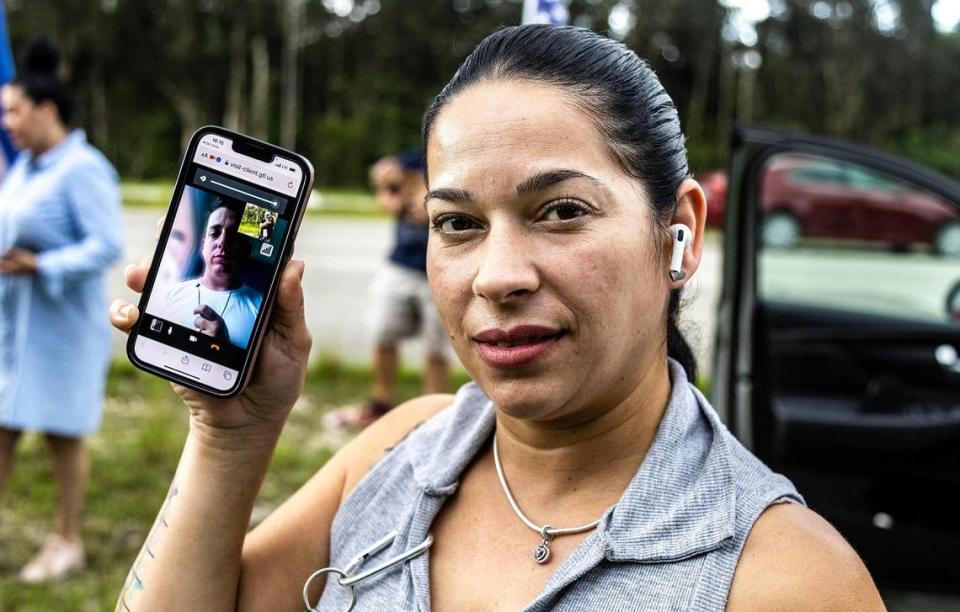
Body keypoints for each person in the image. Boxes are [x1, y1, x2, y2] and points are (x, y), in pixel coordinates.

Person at [109, 26, 884, 610]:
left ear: (677, 231)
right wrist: (229, 437)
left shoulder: (783, 577)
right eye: (457, 223)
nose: (498, 277)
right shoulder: (396, 453)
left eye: (561, 211)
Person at [0, 38, 124, 582]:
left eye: (14, 110)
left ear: (46, 110)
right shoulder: (26, 167)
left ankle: (67, 539)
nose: (6, 121)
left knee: (60, 433)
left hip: (60, 328)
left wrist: (41, 266)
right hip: (14, 326)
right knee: (1, 430)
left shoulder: (84, 168)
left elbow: (105, 244)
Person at [327, 152, 450, 427]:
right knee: (382, 332)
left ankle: (435, 416)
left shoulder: (455, 156)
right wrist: (402, 199)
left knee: (438, 346)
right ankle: (381, 403)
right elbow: (385, 197)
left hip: (440, 269)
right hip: (400, 265)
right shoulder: (411, 160)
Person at [158, 196, 262, 349]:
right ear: (203, 245)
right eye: (215, 233)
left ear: (246, 250)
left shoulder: (261, 308)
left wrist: (224, 348)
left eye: (234, 236)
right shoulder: (172, 293)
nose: (222, 242)